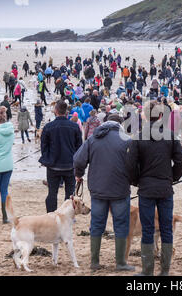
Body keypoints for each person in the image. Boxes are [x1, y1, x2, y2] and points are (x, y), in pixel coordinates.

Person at [126, 101, 182, 276]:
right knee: (166, 228)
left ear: (144, 116)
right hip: (165, 187)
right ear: (161, 116)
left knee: (148, 228)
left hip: (146, 188)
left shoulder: (138, 136)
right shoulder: (171, 135)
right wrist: (173, 178)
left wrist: (136, 181)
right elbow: (180, 161)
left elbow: (130, 164)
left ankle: (148, 270)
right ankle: (165, 270)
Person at [74, 114, 135, 272]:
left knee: (96, 225)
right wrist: (134, 180)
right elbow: (134, 165)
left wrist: (79, 174)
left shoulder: (93, 139)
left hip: (98, 189)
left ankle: (94, 262)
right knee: (121, 225)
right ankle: (121, 263)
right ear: (120, 124)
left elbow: (79, 159)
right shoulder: (127, 140)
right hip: (120, 190)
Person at [39, 100, 83, 212]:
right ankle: (59, 215)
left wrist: (47, 159)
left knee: (54, 193)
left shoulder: (49, 127)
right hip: (67, 165)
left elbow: (43, 147)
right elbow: (79, 147)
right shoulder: (74, 126)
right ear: (66, 112)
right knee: (68, 194)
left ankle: (53, 215)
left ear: (56, 111)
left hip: (57, 165)